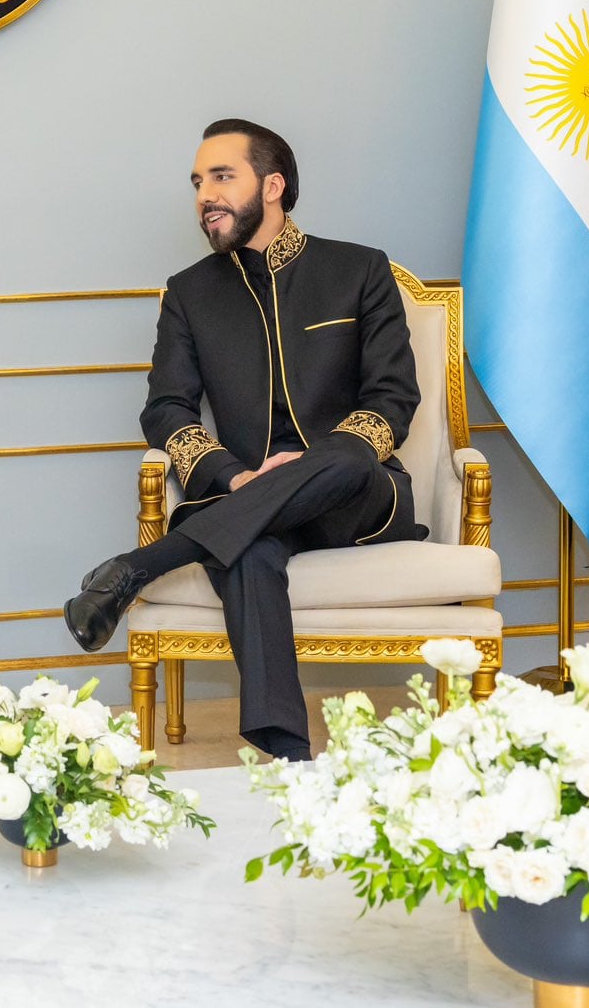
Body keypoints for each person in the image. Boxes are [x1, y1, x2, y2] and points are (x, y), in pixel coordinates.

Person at [63, 119, 425, 762]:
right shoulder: (190, 293)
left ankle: (137, 569)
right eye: (199, 181)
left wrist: (310, 463)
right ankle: (287, 754)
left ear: (274, 185)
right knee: (248, 553)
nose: (206, 194)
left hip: (356, 495)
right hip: (247, 498)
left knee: (342, 461)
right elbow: (166, 409)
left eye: (223, 176)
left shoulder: (358, 270)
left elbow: (393, 398)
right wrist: (233, 477)